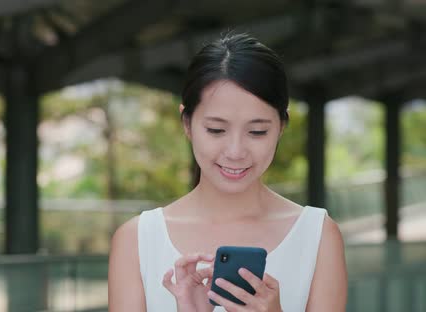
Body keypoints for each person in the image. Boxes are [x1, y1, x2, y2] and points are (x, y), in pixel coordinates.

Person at [108, 32, 347, 312]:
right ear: (187, 123)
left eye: (257, 131)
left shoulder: (318, 235)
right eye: (216, 130)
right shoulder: (137, 241)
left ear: (281, 126)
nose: (235, 151)